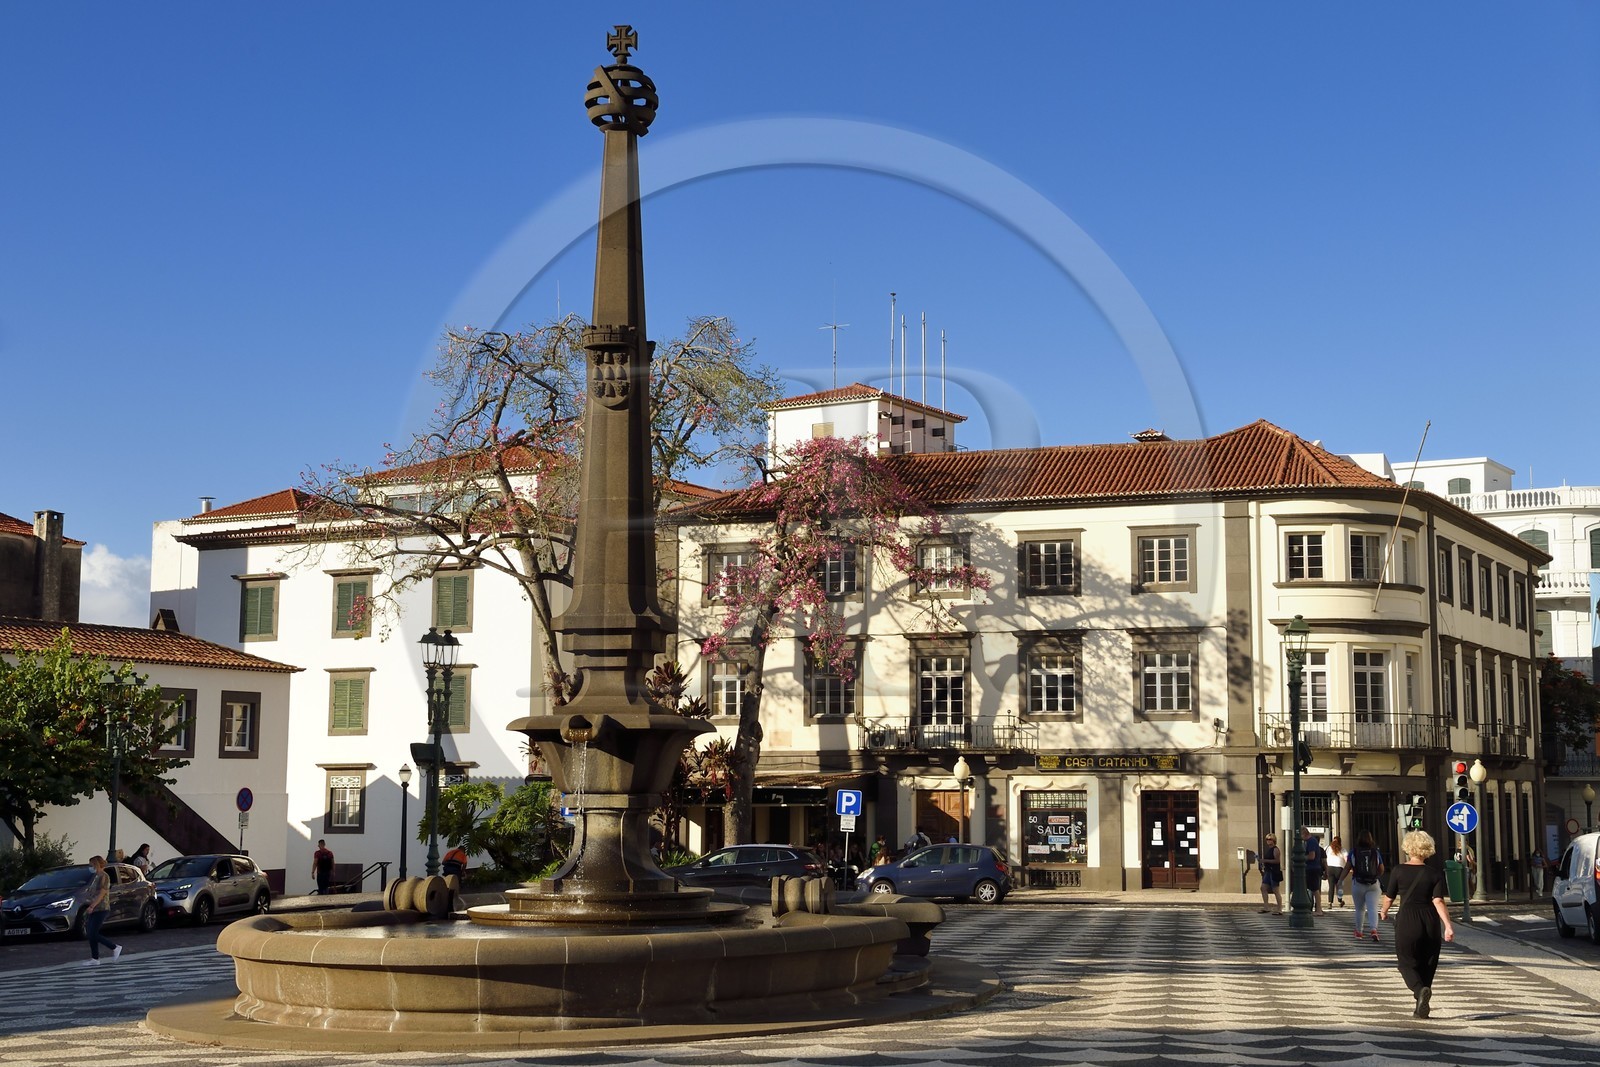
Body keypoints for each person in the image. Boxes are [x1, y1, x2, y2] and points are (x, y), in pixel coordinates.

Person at [1379, 829, 1455, 1019]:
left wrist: (1384, 911)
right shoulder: (1434, 873)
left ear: (1408, 847)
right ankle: (1421, 1004)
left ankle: (1419, 991)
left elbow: (1389, 897)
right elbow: (1438, 901)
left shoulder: (1398, 871)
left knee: (1406, 963)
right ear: (1428, 848)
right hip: (1430, 921)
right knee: (1428, 963)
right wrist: (1448, 926)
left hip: (1407, 920)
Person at [81, 855, 123, 966]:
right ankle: (95, 958)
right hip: (95, 907)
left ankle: (114, 947)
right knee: (90, 933)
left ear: (96, 864)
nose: (90, 867)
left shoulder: (104, 876)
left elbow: (102, 893)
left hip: (101, 907)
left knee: (93, 933)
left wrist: (92, 906)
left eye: (91, 865)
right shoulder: (96, 876)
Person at [1349, 830, 1385, 940]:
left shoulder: (1354, 852)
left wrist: (1340, 880)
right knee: (1373, 908)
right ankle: (1374, 930)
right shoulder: (1375, 852)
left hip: (1358, 883)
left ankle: (1359, 932)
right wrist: (1376, 876)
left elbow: (1347, 867)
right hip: (1373, 883)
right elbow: (1381, 869)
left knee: (1359, 909)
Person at [1302, 827, 1326, 916]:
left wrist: (1302, 858)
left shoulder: (1311, 841)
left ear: (1304, 834)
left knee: (1315, 889)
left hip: (1312, 868)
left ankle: (1318, 909)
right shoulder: (1310, 841)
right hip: (1312, 868)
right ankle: (1316, 908)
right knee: (1313, 889)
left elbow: (1312, 856)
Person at [1257, 833, 1284, 914]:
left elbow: (1277, 861)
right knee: (1263, 888)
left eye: (1270, 839)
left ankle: (1279, 909)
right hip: (1268, 871)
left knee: (1276, 890)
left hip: (1274, 871)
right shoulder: (1269, 849)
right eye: (1267, 839)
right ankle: (1266, 907)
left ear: (1274, 840)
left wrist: (1265, 860)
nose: (1268, 841)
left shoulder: (1275, 849)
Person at [1325, 835, 1348, 908]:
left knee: (1331, 886)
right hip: (1339, 869)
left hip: (1330, 868)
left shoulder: (1328, 848)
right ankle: (1340, 900)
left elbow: (1324, 857)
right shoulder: (1343, 850)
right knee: (1339, 886)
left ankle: (1330, 902)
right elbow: (1346, 859)